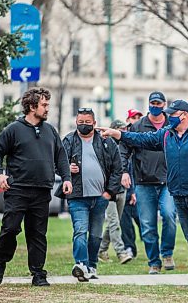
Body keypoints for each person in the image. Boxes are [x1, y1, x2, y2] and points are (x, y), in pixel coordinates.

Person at [100, 99, 188, 293]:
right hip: (179, 195)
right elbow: (142, 139)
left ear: (185, 115)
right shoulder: (167, 134)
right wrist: (119, 134)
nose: (168, 117)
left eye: (172, 115)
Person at [0, 88, 72, 286]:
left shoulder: (50, 130)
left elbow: (60, 156)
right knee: (10, 229)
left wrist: (67, 177)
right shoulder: (13, 129)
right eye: (44, 105)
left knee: (37, 234)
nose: (47, 109)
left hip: (42, 190)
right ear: (32, 106)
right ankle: (0, 262)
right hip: (17, 189)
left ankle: (38, 274)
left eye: (47, 105)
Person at [59, 108, 123, 281]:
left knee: (95, 235)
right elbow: (57, 162)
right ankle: (80, 264)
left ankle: (91, 265)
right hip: (77, 197)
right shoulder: (69, 140)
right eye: (81, 122)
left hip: (100, 198)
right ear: (76, 122)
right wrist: (67, 170)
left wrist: (109, 192)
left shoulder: (106, 142)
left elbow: (117, 168)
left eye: (88, 123)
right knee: (80, 231)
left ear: (94, 123)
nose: (84, 125)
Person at [119, 92, 177, 274]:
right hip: (144, 182)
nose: (155, 105)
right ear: (148, 104)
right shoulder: (137, 126)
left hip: (168, 181)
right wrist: (123, 171)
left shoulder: (172, 125)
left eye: (158, 102)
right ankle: (154, 261)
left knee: (169, 215)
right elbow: (124, 150)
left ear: (164, 104)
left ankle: (167, 253)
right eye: (152, 102)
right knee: (147, 224)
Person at [98, 119, 133, 265]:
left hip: (122, 191)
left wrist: (132, 191)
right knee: (114, 223)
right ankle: (121, 252)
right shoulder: (105, 146)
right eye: (120, 129)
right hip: (109, 191)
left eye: (125, 129)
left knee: (114, 223)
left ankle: (100, 250)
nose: (123, 132)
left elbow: (130, 171)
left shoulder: (126, 148)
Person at [120, 109, 143, 258]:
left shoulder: (143, 137)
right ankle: (129, 248)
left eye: (139, 117)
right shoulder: (126, 138)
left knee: (144, 222)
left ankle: (151, 246)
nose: (136, 119)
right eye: (134, 117)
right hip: (125, 188)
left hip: (140, 186)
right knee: (125, 223)